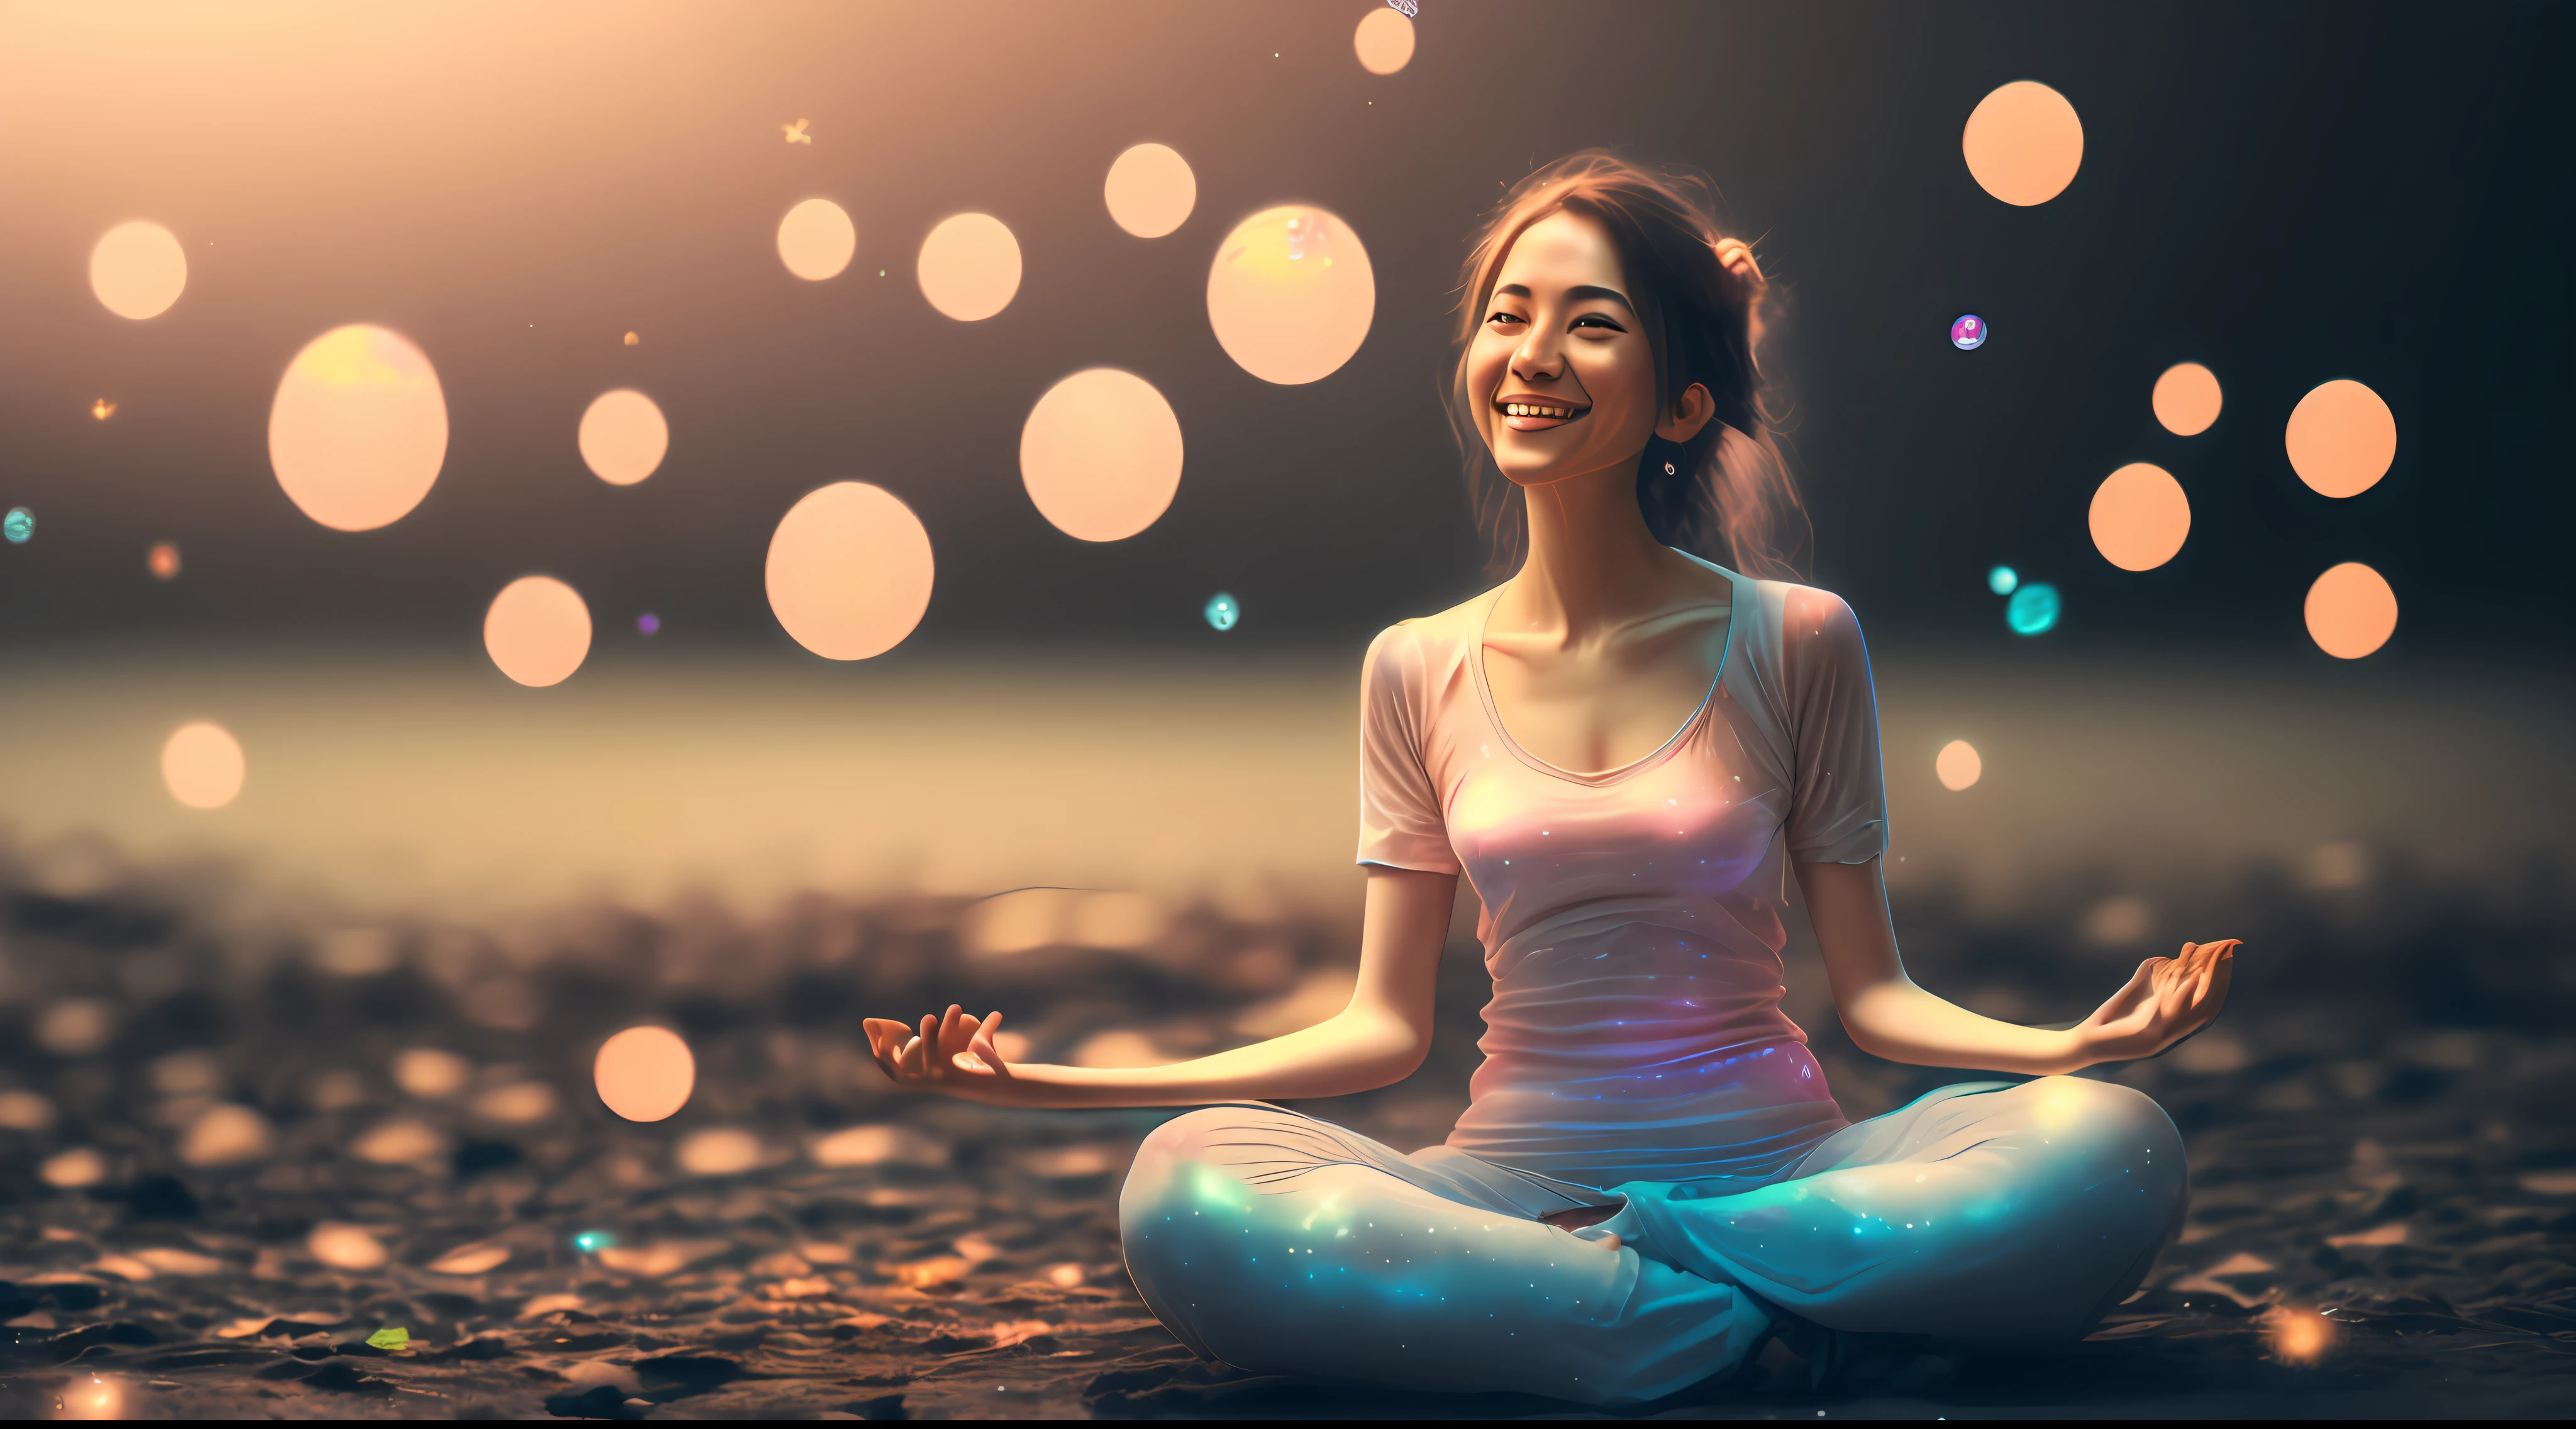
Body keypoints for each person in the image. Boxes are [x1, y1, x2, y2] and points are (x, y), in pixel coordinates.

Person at [863, 151, 2237, 1406]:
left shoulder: (1795, 637)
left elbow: (1872, 998)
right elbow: (1378, 1030)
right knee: (1180, 1188)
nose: (1532, 352)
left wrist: (2068, 1048)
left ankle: (1643, 1292)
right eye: (1508, 314)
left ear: (1683, 398)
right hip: (1508, 1189)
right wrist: (1048, 1084)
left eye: (1591, 322)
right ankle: (1743, 1322)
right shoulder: (1414, 664)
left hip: (1793, 1177)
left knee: (2114, 1146)